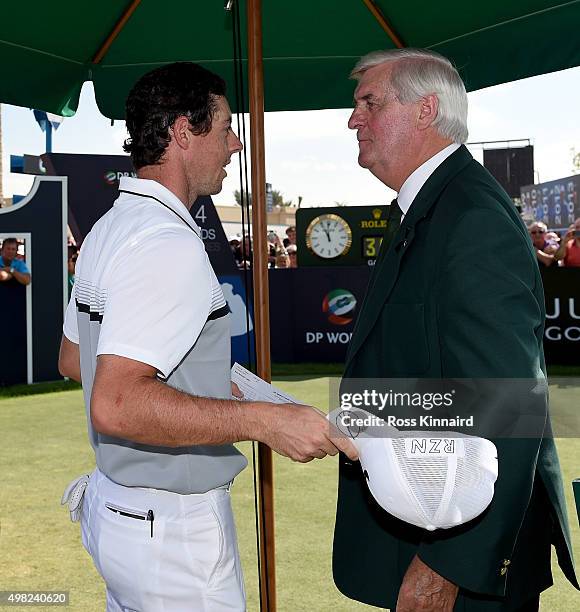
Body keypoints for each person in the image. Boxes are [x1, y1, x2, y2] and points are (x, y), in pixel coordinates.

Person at [58, 62, 357, 612]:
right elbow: (117, 404)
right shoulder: (165, 240)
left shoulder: (109, 226)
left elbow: (76, 361)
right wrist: (265, 420)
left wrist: (217, 386)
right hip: (172, 536)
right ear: (182, 132)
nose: (236, 144)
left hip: (121, 518)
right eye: (223, 127)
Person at [333, 48, 578, 612]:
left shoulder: (471, 217)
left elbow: (507, 401)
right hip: (431, 519)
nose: (353, 119)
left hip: (461, 556)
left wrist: (450, 566)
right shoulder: (433, 205)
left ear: (426, 110)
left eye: (369, 102)